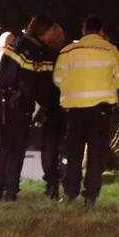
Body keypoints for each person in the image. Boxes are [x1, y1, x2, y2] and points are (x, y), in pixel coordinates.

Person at [53, 16, 119, 206]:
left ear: (83, 30)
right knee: (96, 154)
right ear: (102, 31)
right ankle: (90, 196)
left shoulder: (68, 51)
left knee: (73, 153)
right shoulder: (110, 50)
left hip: (74, 110)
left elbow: (57, 79)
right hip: (100, 111)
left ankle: (70, 192)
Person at [0, 15, 59, 201]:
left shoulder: (16, 45)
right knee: (17, 147)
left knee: (4, 145)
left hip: (4, 101)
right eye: (52, 29)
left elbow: (3, 77)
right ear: (45, 31)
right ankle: (11, 190)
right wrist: (46, 106)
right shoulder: (37, 52)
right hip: (21, 105)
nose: (54, 33)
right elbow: (41, 85)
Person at [38, 24, 67, 199]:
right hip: (68, 104)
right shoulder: (68, 55)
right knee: (65, 146)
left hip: (49, 106)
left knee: (49, 146)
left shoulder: (43, 55)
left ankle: (51, 183)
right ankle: (65, 178)